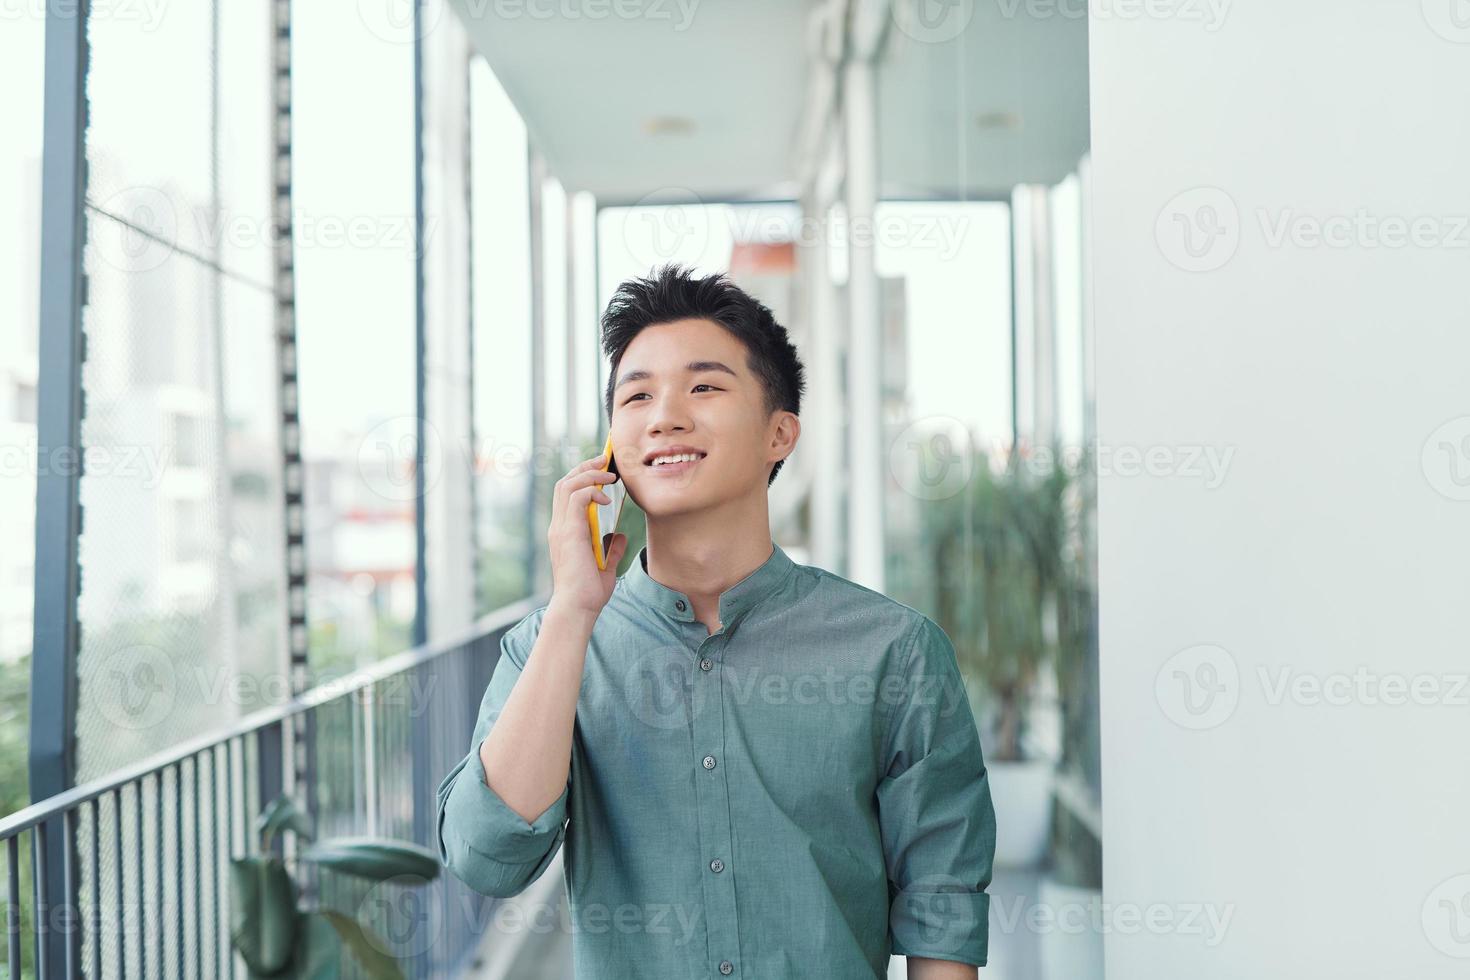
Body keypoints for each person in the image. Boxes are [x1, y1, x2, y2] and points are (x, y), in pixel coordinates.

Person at [435, 262, 996, 979]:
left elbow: (942, 905)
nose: (665, 415)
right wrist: (573, 610)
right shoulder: (549, 648)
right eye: (637, 395)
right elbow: (487, 858)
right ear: (610, 448)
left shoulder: (895, 651)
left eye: (703, 386)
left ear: (779, 433)